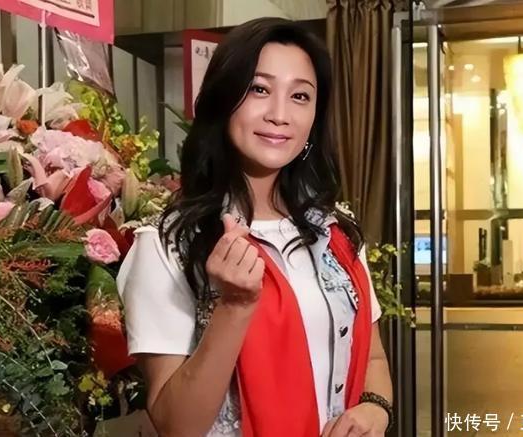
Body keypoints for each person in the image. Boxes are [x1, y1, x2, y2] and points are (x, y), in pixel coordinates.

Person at [117, 17, 393, 437]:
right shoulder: (169, 244)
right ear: (223, 100)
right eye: (259, 89)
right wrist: (234, 306)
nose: (280, 115)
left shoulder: (336, 235)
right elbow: (177, 426)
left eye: (300, 96)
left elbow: (373, 358)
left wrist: (375, 411)